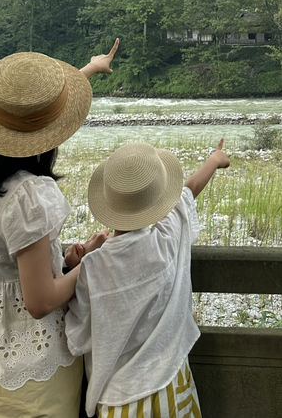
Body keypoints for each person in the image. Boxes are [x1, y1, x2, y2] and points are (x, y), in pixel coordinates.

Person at [0, 39, 119, 418]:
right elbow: (39, 300)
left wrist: (87, 70)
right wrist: (90, 266)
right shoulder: (27, 198)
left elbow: (21, 114)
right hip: (28, 374)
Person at [65, 137, 230, 418]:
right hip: (169, 385)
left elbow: (78, 335)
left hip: (116, 400)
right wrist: (214, 160)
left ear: (109, 202)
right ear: (157, 199)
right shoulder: (166, 239)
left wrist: (73, 265)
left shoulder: (93, 266)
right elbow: (189, 191)